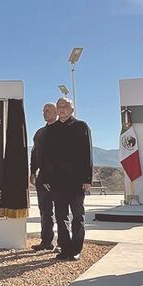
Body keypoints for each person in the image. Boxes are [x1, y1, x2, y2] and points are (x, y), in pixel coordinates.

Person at [40, 97, 93, 261]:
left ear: (72, 109)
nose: (61, 109)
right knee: (61, 216)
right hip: (57, 181)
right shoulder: (51, 129)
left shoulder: (81, 126)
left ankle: (76, 249)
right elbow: (46, 156)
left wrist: (87, 179)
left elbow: (87, 154)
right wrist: (46, 178)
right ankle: (65, 248)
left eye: (65, 106)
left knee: (77, 216)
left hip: (77, 181)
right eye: (59, 106)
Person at [30, 102, 58, 252]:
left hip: (58, 178)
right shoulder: (39, 133)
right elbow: (34, 155)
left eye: (48, 110)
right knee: (45, 211)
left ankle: (63, 243)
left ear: (56, 113)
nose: (44, 113)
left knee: (61, 212)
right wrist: (32, 172)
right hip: (42, 179)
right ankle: (46, 241)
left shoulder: (62, 131)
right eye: (43, 111)